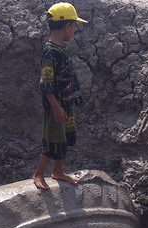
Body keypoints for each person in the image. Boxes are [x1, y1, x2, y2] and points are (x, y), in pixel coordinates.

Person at [32, 2, 88, 190]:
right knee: (52, 139)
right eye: (74, 26)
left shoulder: (60, 49)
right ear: (67, 26)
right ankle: (38, 173)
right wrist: (56, 107)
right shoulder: (50, 52)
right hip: (55, 106)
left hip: (65, 104)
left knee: (63, 138)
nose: (74, 30)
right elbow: (45, 83)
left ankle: (58, 171)